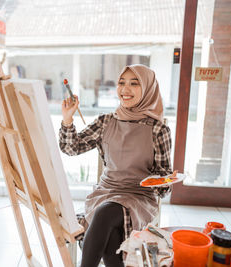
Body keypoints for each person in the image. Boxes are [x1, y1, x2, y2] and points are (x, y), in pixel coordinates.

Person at [59, 64, 172, 267]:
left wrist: (164, 181)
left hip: (138, 197)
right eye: (122, 83)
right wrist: (68, 119)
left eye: (134, 84)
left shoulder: (158, 129)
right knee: (111, 238)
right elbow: (71, 148)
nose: (125, 89)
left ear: (147, 89)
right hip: (106, 192)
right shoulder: (106, 122)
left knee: (105, 214)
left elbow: (164, 185)